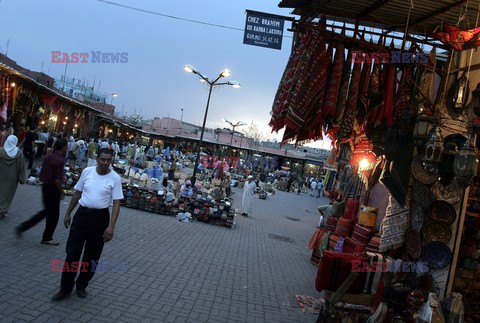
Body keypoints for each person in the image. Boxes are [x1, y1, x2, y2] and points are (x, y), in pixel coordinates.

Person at [51, 148, 123, 301]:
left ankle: (82, 285)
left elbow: (117, 203)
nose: (105, 163)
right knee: (72, 254)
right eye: (102, 159)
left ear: (111, 161)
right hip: (82, 215)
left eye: (108, 160)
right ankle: (65, 288)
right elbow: (77, 193)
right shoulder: (87, 172)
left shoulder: (115, 178)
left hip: (100, 219)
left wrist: (111, 227)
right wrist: (68, 213)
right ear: (97, 159)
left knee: (92, 256)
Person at [16, 138, 67, 243]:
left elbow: (44, 173)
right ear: (63, 147)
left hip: (45, 187)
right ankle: (47, 237)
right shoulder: (60, 160)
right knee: (53, 215)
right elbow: (57, 180)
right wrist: (62, 192)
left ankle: (23, 227)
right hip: (53, 189)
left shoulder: (49, 157)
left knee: (46, 212)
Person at [0, 135, 26, 217]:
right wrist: (22, 178)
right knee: (8, 194)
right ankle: (3, 210)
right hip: (12, 178)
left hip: (1, 175)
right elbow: (22, 166)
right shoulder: (19, 153)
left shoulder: (1, 151)